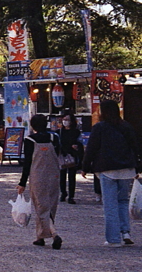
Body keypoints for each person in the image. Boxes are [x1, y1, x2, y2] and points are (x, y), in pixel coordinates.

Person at [81, 100, 139, 247]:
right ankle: (125, 232)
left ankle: (113, 239)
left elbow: (91, 149)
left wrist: (85, 166)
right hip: (126, 169)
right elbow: (136, 147)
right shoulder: (126, 126)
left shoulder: (100, 127)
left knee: (110, 204)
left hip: (107, 169)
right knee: (123, 201)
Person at [17, 113, 63, 249]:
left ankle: (54, 234)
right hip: (54, 175)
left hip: (38, 176)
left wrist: (22, 183)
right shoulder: (54, 138)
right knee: (50, 205)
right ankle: (40, 236)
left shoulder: (30, 140)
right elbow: (59, 154)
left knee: (40, 206)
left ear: (32, 125)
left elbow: (27, 163)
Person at [58, 114, 82, 204]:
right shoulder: (59, 132)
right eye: (64, 119)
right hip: (62, 156)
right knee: (62, 176)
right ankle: (63, 193)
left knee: (72, 177)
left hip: (72, 155)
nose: (65, 121)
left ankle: (71, 196)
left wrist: (77, 147)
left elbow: (80, 143)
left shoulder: (76, 132)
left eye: (67, 119)